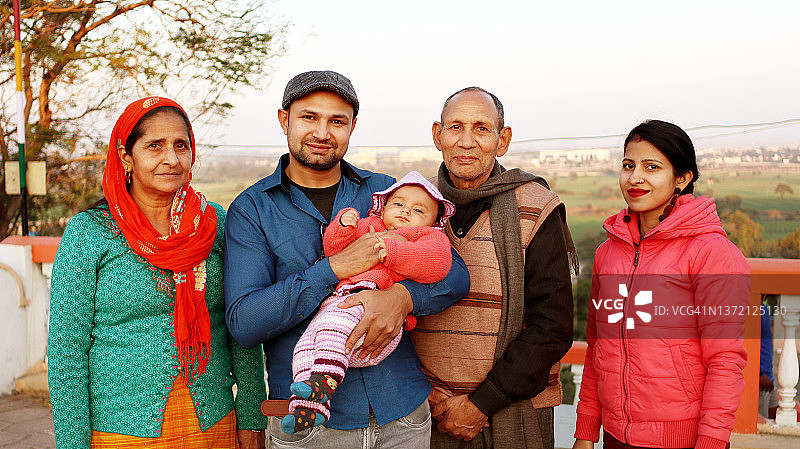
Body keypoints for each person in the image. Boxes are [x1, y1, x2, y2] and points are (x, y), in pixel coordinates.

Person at [224, 70, 470, 448]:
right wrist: (334, 268)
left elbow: (455, 274)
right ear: (283, 119)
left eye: (337, 121)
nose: (323, 132)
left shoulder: (389, 193)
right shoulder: (252, 209)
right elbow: (245, 321)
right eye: (309, 117)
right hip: (309, 429)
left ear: (352, 126)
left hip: (402, 414)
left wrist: (402, 298)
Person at [48, 97, 268, 449]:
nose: (172, 159)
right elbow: (66, 352)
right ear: (126, 157)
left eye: (181, 145)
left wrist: (253, 418)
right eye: (155, 145)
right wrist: (72, 443)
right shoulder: (90, 233)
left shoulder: (213, 224)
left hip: (214, 425)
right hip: (119, 433)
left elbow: (239, 328)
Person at [411, 87, 576, 449]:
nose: (466, 141)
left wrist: (480, 404)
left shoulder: (536, 207)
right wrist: (427, 393)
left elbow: (553, 326)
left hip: (515, 411)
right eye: (455, 127)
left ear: (503, 140)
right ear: (438, 135)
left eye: (481, 129)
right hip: (425, 411)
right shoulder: (414, 205)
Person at [573, 120, 750, 449]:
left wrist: (710, 442)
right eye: (628, 165)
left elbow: (725, 361)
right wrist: (585, 431)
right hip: (616, 437)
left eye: (651, 167)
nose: (635, 177)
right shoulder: (607, 254)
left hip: (685, 441)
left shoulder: (711, 253)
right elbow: (599, 349)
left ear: (682, 179)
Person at [282, 171, 456, 434]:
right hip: (340, 302)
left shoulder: (426, 237)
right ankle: (308, 405)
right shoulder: (369, 226)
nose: (406, 211)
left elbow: (438, 264)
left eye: (418, 210)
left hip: (374, 314)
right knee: (305, 346)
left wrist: (394, 252)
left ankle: (325, 380)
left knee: (331, 330)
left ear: (433, 221)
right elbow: (334, 251)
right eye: (398, 204)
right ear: (383, 207)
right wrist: (343, 226)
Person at [758, 299, 778, 420]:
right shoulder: (753, 305)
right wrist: (759, 374)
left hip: (770, 378)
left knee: (776, 421)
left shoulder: (764, 305)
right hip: (762, 380)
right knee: (761, 425)